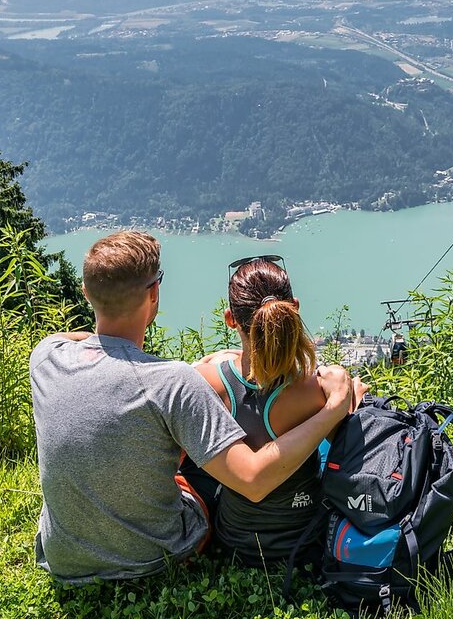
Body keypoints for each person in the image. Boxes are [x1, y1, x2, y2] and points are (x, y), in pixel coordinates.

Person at [30, 232, 365, 584]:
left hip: (63, 557)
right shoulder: (171, 382)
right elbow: (251, 479)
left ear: (86, 293)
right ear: (154, 294)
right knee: (204, 465)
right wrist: (334, 408)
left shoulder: (46, 357)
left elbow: (71, 338)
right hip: (154, 558)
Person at [190, 256, 332, 566]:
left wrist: (213, 362)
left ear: (231, 319)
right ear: (293, 307)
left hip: (235, 544)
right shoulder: (318, 389)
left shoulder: (206, 383)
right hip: (306, 540)